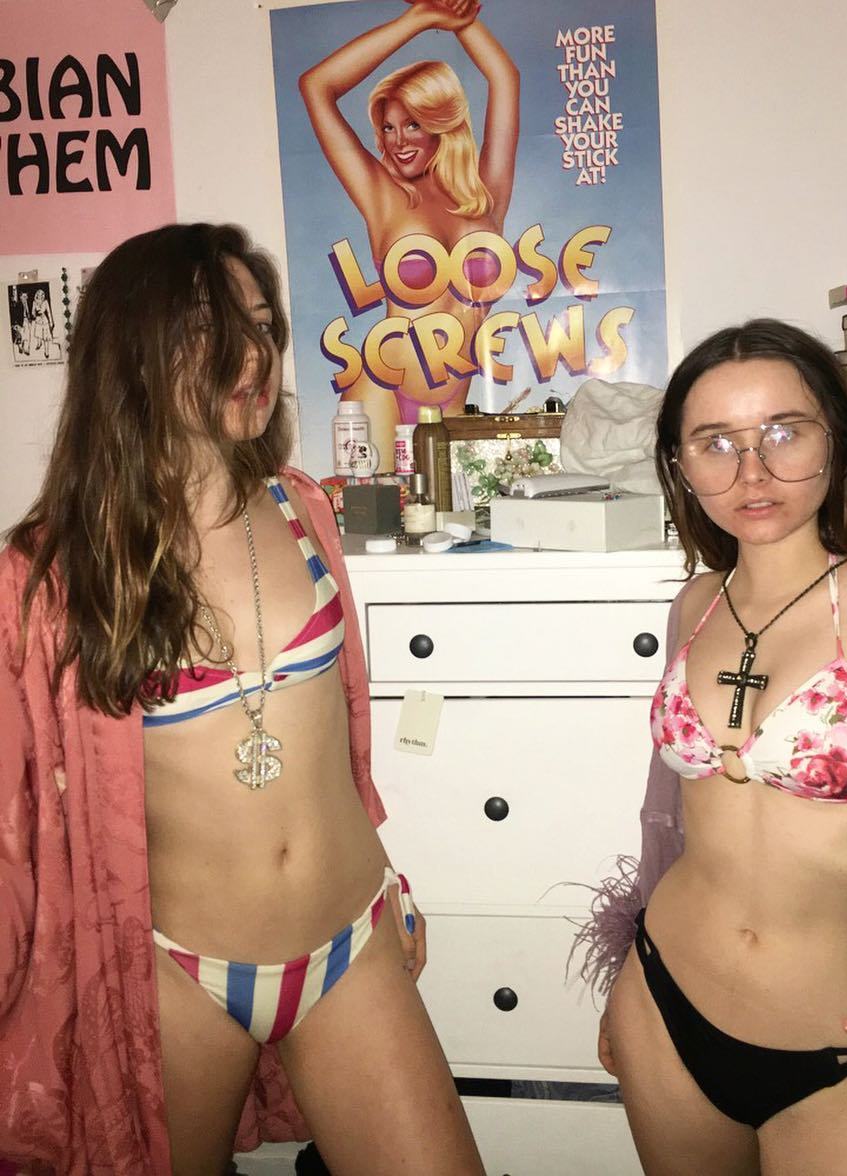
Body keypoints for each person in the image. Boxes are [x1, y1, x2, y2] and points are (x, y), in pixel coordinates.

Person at [0, 223, 483, 1175]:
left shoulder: (304, 508)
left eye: (261, 324)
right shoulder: (50, 575)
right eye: (205, 329)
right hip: (176, 970)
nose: (251, 354)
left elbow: (334, 749)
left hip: (352, 938)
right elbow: (14, 827)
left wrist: (392, 877)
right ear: (131, 354)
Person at [576, 319, 847, 1175]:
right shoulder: (695, 604)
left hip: (840, 1050)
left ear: (837, 441)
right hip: (662, 1004)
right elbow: (672, 817)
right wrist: (625, 981)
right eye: (716, 442)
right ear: (679, 466)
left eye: (783, 432)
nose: (752, 472)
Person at [299, 0, 519, 468]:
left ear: (442, 123)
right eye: (388, 128)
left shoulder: (485, 198)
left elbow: (505, 78)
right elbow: (317, 85)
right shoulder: (384, 196)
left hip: (452, 405)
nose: (397, 141)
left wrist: (460, 18)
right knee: (375, 515)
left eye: (413, 124)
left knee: (457, 514)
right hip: (381, 392)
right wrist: (418, 19)